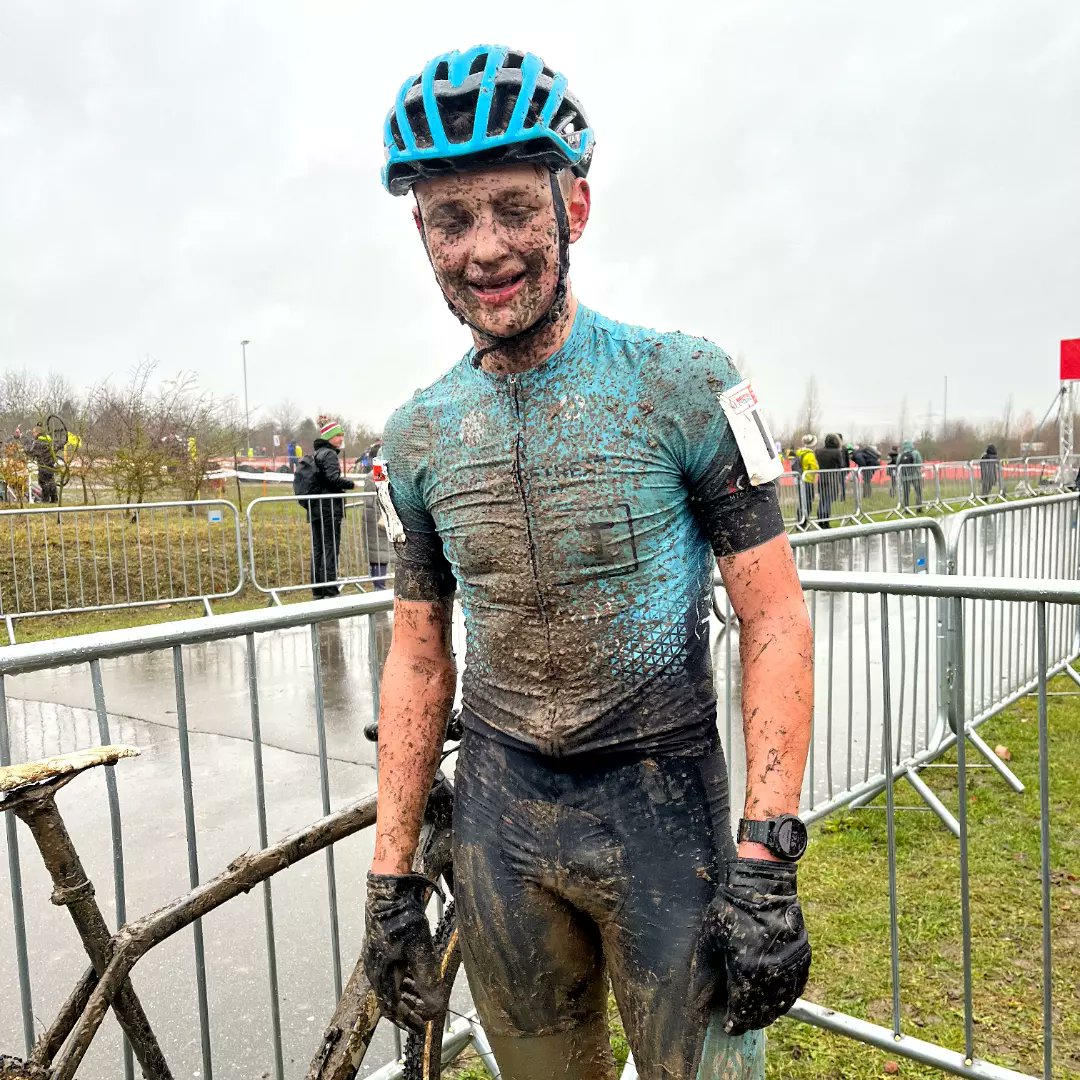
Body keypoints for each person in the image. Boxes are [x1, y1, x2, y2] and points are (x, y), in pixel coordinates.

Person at [362, 45, 814, 1080]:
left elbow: (776, 618)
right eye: (450, 218)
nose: (484, 249)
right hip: (500, 814)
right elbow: (421, 657)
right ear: (419, 231)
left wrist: (767, 856)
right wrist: (390, 878)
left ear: (577, 204)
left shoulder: (684, 383)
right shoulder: (419, 434)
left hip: (661, 807)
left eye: (514, 208)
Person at [305, 417, 355, 599]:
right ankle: (331, 588)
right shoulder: (330, 455)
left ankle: (318, 589)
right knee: (330, 547)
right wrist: (351, 484)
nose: (341, 438)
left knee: (318, 548)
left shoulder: (316, 454)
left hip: (316, 508)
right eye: (338, 435)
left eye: (342, 435)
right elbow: (333, 478)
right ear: (329, 437)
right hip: (329, 509)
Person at [815, 433, 844, 526]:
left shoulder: (818, 451)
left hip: (821, 478)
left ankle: (820, 521)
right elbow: (841, 465)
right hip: (831, 478)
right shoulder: (837, 452)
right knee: (827, 500)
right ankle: (825, 522)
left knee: (822, 500)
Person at [26, 425, 58, 503]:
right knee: (51, 481)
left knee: (43, 482)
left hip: (43, 465)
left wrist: (25, 449)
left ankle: (45, 500)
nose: (33, 434)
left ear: (37, 433)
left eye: (33, 432)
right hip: (51, 465)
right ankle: (54, 499)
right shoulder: (50, 440)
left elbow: (32, 453)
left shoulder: (38, 442)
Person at [792, 435, 818, 529]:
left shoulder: (799, 452)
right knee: (808, 502)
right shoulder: (810, 454)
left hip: (799, 480)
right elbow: (814, 468)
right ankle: (803, 523)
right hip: (807, 480)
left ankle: (800, 522)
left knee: (802, 501)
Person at [898, 439, 923, 509]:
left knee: (906, 493)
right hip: (915, 476)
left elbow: (898, 465)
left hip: (905, 477)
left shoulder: (901, 455)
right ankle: (919, 507)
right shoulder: (916, 453)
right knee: (918, 492)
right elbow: (920, 463)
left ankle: (906, 508)